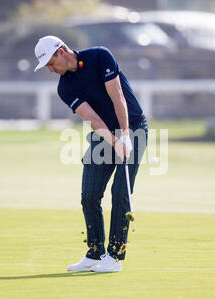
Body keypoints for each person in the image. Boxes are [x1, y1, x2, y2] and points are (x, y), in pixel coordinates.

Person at [33, 36, 148, 273]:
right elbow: (93, 119)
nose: (51, 70)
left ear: (61, 52)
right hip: (104, 134)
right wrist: (114, 141)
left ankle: (114, 257)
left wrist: (125, 136)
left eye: (51, 64)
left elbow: (118, 97)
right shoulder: (64, 87)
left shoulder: (99, 57)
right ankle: (96, 253)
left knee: (120, 191)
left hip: (134, 127)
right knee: (89, 194)